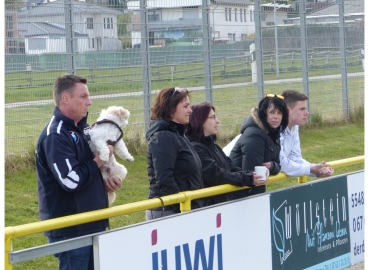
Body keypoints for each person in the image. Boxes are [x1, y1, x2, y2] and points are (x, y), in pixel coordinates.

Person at [36, 74, 122, 270]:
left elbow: (88, 169)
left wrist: (104, 182)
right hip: (71, 230)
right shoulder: (55, 135)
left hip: (93, 223)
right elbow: (71, 180)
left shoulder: (83, 129)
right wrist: (100, 159)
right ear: (65, 99)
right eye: (83, 97)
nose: (89, 102)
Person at [186, 102, 267, 205]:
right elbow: (216, 175)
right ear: (201, 121)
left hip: (221, 204)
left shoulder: (212, 145)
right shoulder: (195, 148)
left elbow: (230, 166)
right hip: (207, 208)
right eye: (213, 118)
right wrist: (247, 178)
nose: (217, 121)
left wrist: (252, 175)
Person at [145, 87, 204, 220]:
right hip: (169, 212)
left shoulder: (177, 134)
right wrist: (183, 207)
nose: (190, 110)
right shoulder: (164, 137)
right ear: (171, 109)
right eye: (186, 106)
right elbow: (164, 179)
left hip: (183, 208)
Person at [229, 94, 289, 198]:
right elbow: (251, 174)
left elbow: (277, 164)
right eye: (272, 112)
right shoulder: (254, 135)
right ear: (263, 113)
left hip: (252, 192)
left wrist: (272, 166)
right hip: (240, 194)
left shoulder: (272, 132)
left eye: (280, 113)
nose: (276, 117)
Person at [280, 90, 334, 177]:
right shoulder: (275, 129)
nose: (307, 113)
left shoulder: (294, 126)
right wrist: (312, 169)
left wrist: (317, 169)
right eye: (302, 109)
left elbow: (295, 159)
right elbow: (281, 164)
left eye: (306, 108)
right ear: (288, 111)